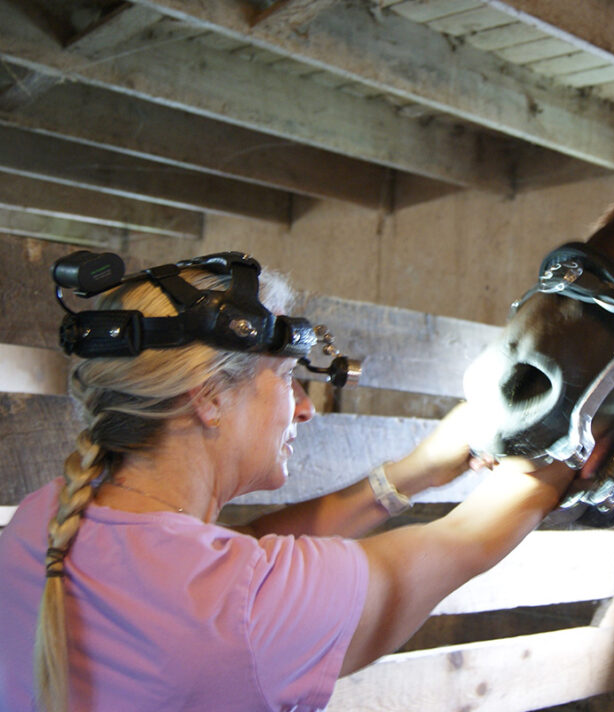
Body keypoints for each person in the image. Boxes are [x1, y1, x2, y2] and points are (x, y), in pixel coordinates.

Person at [0, 255, 576, 712]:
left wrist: (413, 472)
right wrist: (569, 442)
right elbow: (460, 546)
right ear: (209, 398)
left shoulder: (40, 522)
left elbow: (235, 557)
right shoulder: (246, 610)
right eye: (285, 378)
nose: (304, 408)